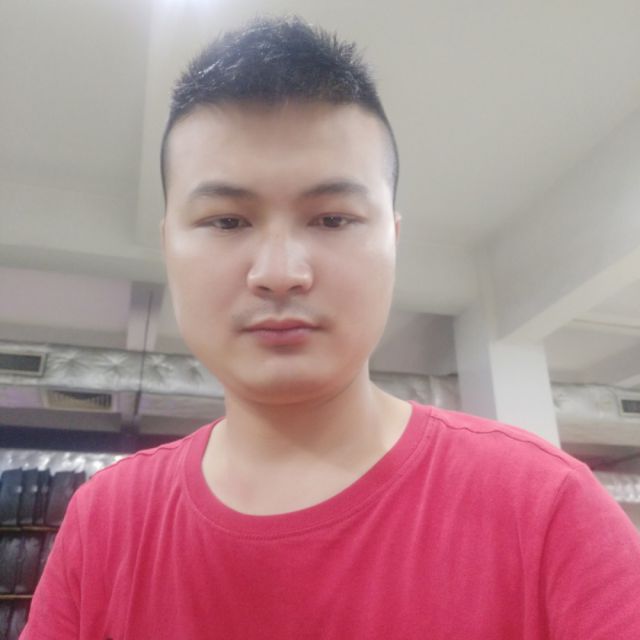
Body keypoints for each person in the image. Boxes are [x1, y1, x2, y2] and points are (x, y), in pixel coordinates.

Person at [22, 17, 640, 640]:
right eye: (227, 221)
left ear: (392, 240)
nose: (279, 273)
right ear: (168, 247)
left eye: (333, 219)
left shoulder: (545, 508)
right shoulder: (106, 525)